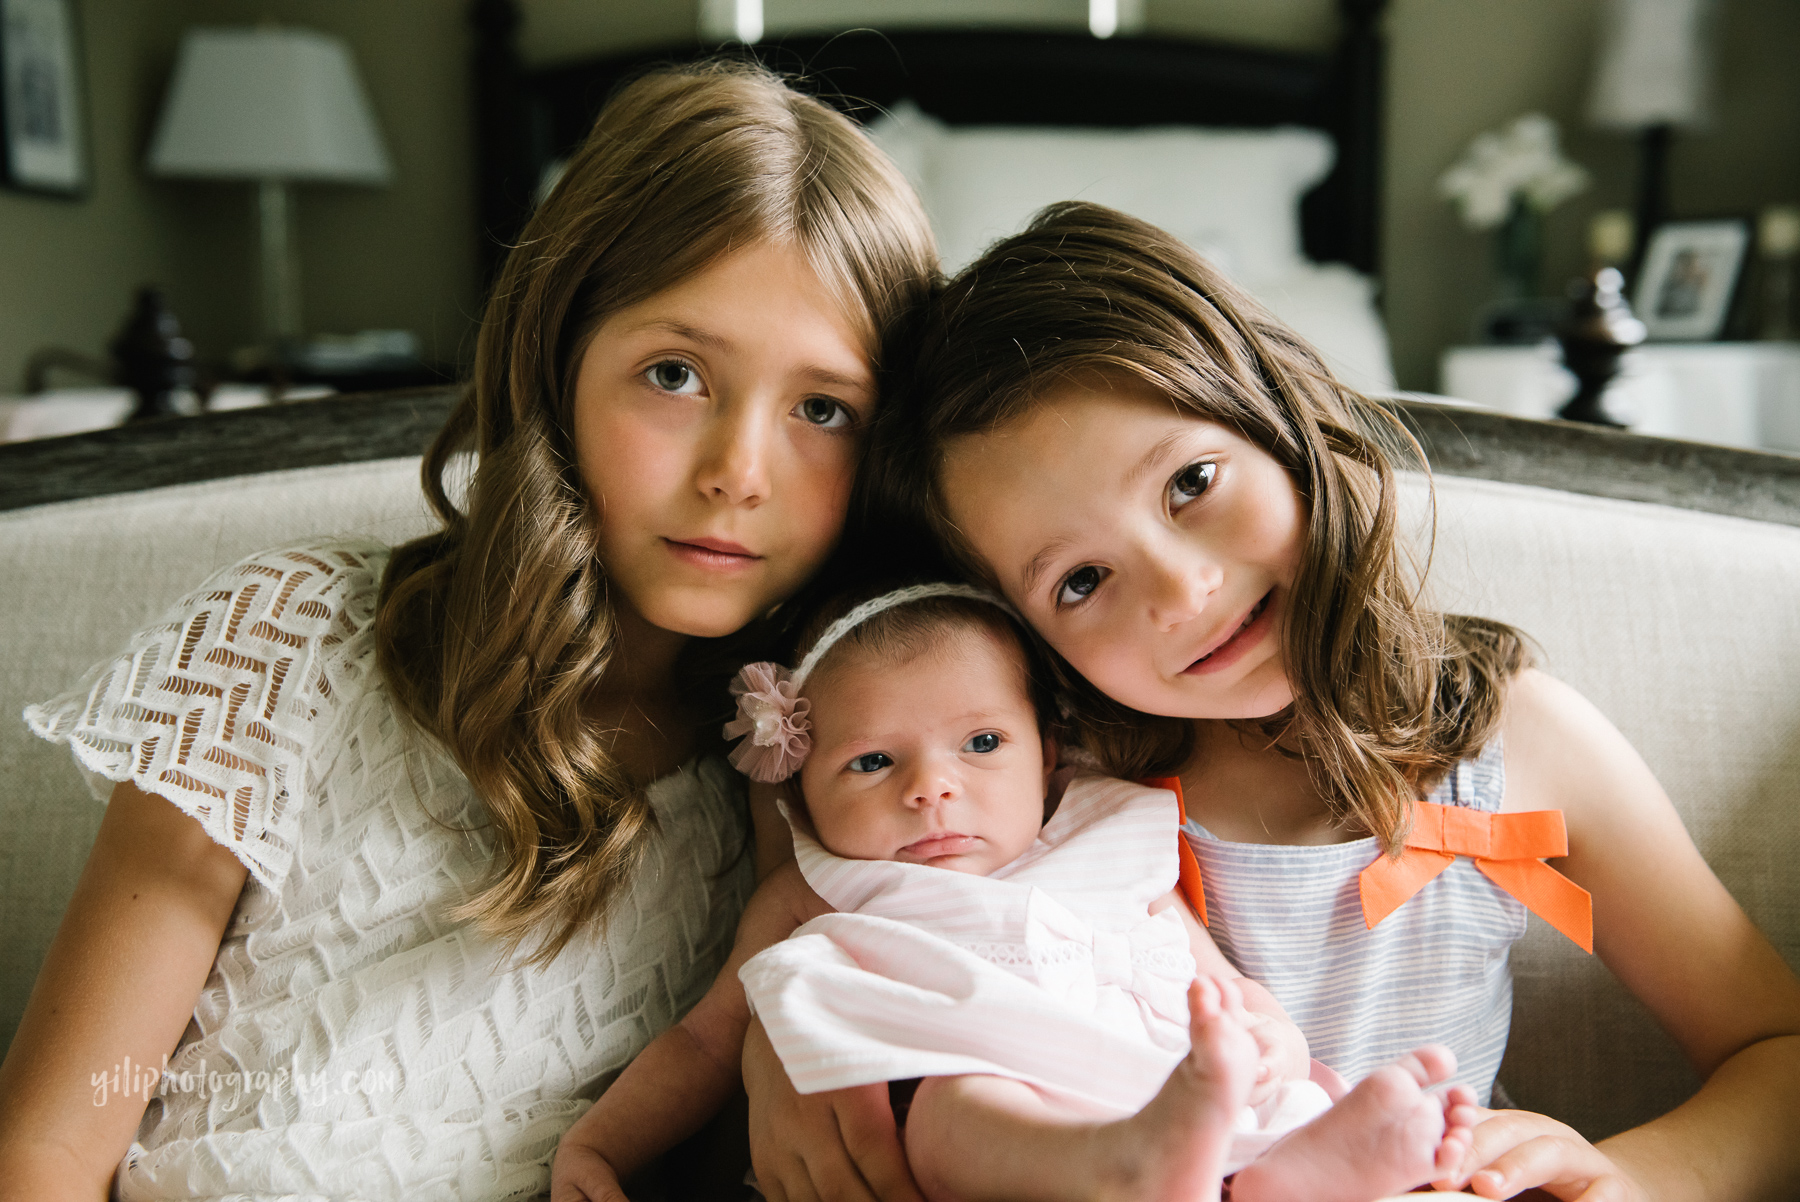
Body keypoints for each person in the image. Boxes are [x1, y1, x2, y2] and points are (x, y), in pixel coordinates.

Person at [0, 62, 936, 1202]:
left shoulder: (831, 770)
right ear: (556, 363)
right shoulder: (283, 643)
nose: (738, 472)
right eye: (676, 372)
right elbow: (49, 1143)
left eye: (821, 409)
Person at [815, 201, 1799, 1201]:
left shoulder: (1516, 747)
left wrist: (1626, 1178)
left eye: (1192, 480)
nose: (1182, 590)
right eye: (1079, 580)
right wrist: (784, 1048)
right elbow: (843, 912)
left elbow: (1776, 1046)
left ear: (1278, 417)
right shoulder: (1034, 792)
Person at [552, 583, 1480, 1202]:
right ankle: (1129, 1168)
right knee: (956, 1104)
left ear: (1051, 748)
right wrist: (598, 1146)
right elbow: (704, 1039)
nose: (931, 788)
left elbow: (1204, 973)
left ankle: (1286, 1176)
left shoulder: (1109, 839)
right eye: (872, 761)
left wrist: (1270, 1029)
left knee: (1264, 1095)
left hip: (1160, 1086)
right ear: (797, 787)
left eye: (982, 744)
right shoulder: (818, 891)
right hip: (980, 1134)